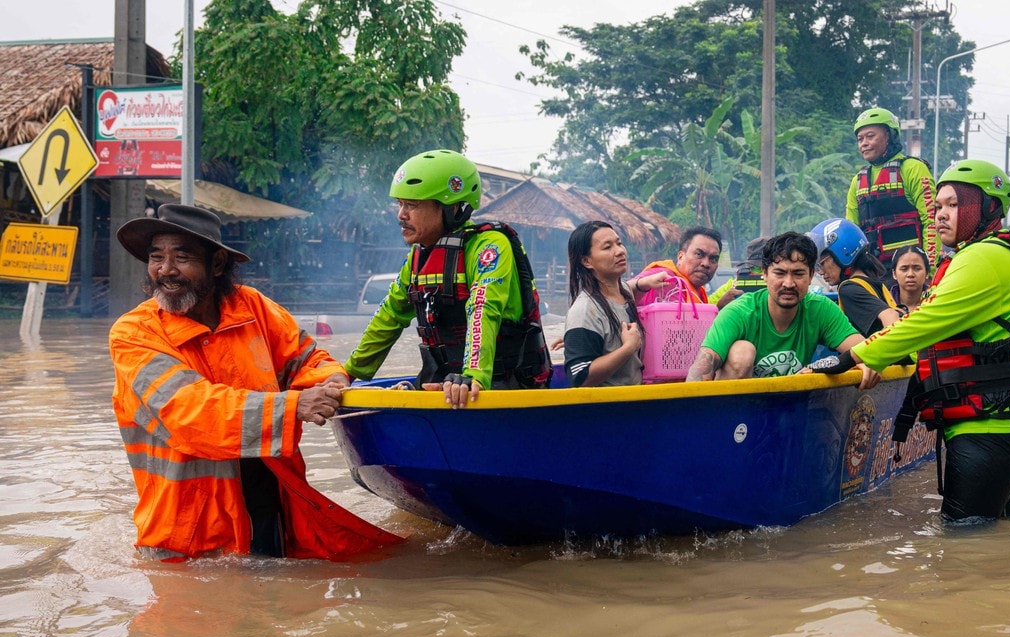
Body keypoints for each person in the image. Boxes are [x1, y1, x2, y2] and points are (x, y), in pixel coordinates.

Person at [108, 204, 402, 561]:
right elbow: (191, 410)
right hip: (187, 535)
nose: (165, 270)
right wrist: (296, 405)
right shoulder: (133, 333)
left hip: (270, 510)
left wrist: (333, 381)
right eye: (157, 257)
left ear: (216, 265)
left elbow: (307, 358)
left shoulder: (253, 308)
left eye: (181, 257)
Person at [815, 160, 1010, 522]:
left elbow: (925, 324)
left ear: (986, 207)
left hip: (992, 425)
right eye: (938, 206)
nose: (941, 215)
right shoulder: (1006, 252)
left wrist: (855, 357)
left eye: (954, 205)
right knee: (1003, 533)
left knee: (963, 546)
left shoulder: (984, 258)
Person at [344, 149, 552, 409]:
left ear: (452, 208)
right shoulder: (418, 256)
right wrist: (347, 373)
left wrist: (473, 376)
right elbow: (389, 316)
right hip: (447, 383)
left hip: (501, 385)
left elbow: (483, 308)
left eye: (413, 205)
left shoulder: (490, 244)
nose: (401, 215)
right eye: (400, 204)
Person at [686, 231, 879, 387]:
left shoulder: (820, 310)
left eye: (798, 274)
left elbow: (864, 350)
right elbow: (702, 367)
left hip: (790, 413)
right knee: (742, 351)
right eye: (779, 273)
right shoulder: (739, 312)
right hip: (738, 418)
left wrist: (864, 363)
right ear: (765, 274)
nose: (788, 283)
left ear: (811, 275)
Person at [563, 221, 669, 386]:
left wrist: (644, 283)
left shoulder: (624, 292)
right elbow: (580, 376)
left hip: (635, 400)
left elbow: (629, 288)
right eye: (607, 247)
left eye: (619, 243)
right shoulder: (584, 311)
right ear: (586, 261)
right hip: (609, 407)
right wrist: (628, 348)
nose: (619, 251)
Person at [845, 107, 938, 266]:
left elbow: (931, 221)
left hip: (910, 270)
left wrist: (929, 269)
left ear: (889, 136)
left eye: (870, 136)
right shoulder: (857, 181)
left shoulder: (912, 169)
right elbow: (851, 231)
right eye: (860, 139)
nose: (864, 144)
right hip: (874, 271)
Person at [813, 218, 903, 337]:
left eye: (821, 264)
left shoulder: (848, 289)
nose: (820, 272)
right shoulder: (872, 282)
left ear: (843, 252)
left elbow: (890, 316)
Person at [636, 226, 723, 303]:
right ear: (681, 256)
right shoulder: (663, 277)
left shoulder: (699, 292)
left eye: (713, 259)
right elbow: (624, 291)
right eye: (699, 254)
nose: (706, 263)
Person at [709, 236, 768, 309]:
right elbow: (706, 307)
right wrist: (720, 306)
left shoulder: (735, 284)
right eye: (755, 268)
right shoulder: (733, 286)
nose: (760, 273)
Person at [888, 244, 930, 312]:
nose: (910, 274)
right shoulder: (884, 305)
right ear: (894, 274)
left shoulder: (937, 301)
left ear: (927, 273)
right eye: (904, 269)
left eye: (917, 268)